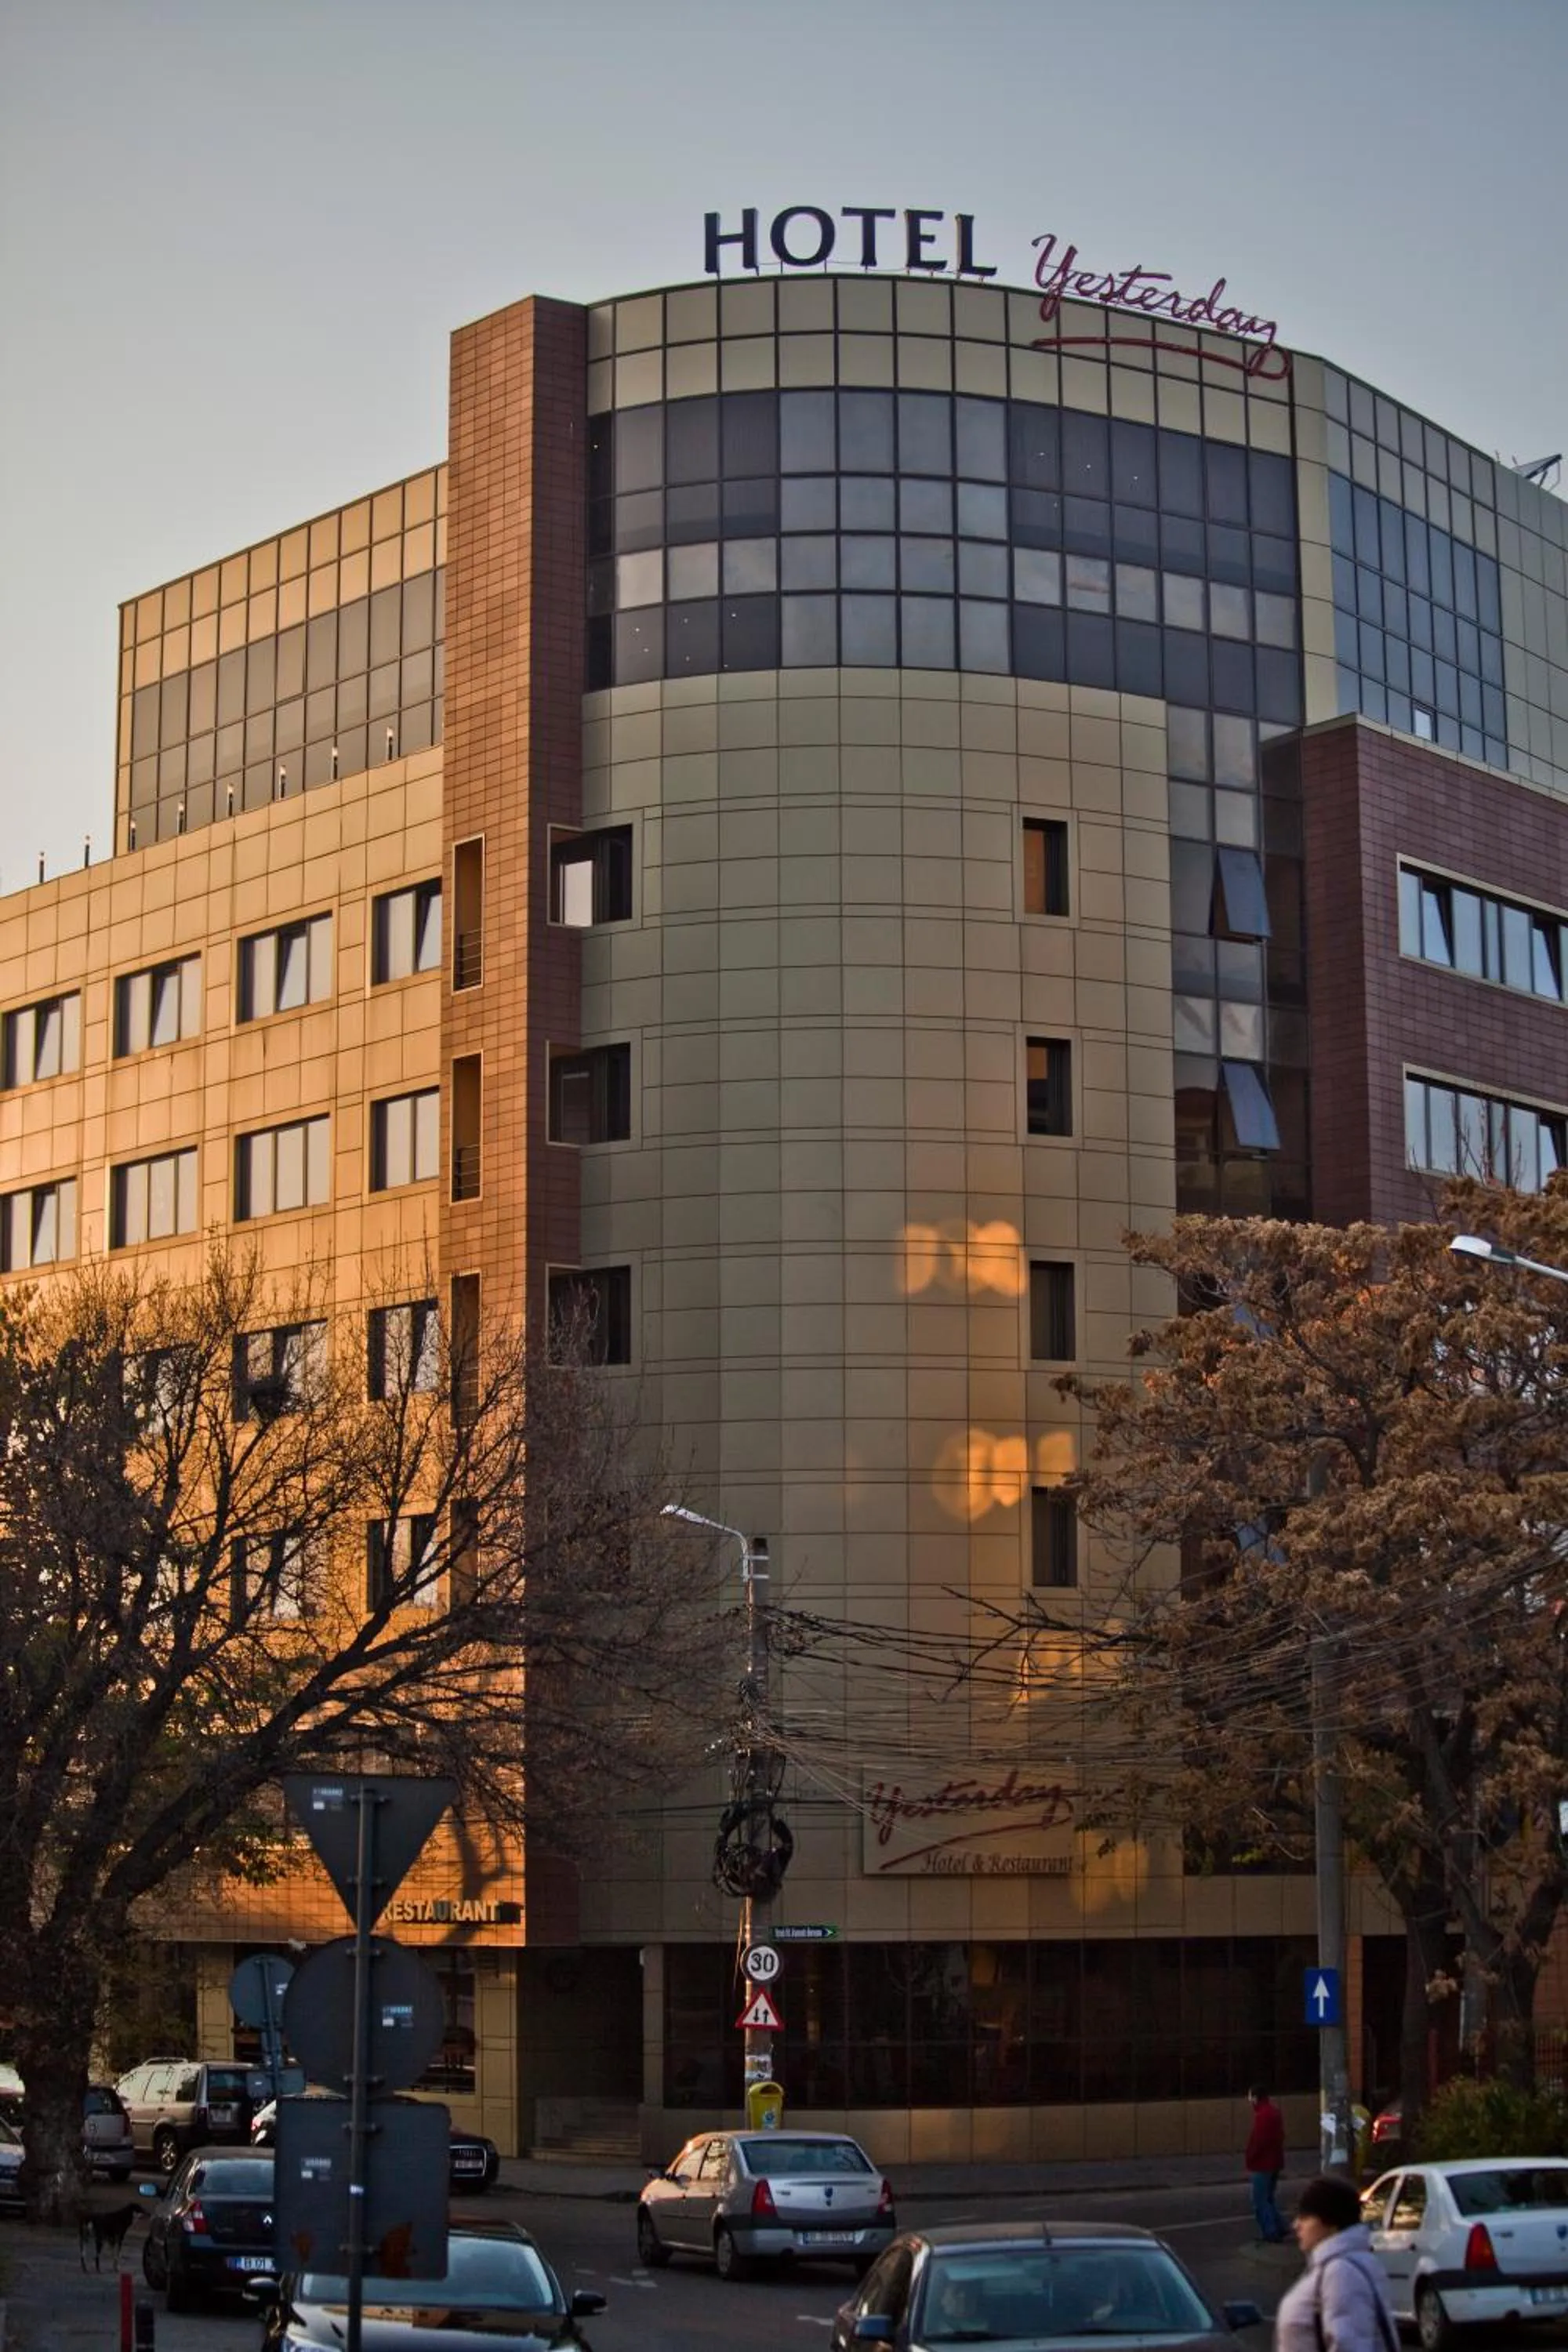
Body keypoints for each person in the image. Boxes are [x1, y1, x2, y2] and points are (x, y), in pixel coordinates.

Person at [1274, 2173, 1399, 2352]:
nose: (1296, 2225)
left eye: (1305, 2217)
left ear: (1331, 2222)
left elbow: (1350, 2343)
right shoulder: (1337, 2265)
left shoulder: (1342, 2272)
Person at [1245, 2083, 1287, 2243]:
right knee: (1268, 2198)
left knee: (1259, 2200)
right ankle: (1280, 2226)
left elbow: (1259, 2141)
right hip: (1274, 2161)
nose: (1249, 2101)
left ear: (1256, 2098)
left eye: (1250, 2097)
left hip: (1263, 2164)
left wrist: (1250, 2157)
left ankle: (1271, 2232)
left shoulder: (1263, 2116)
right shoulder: (1274, 2112)